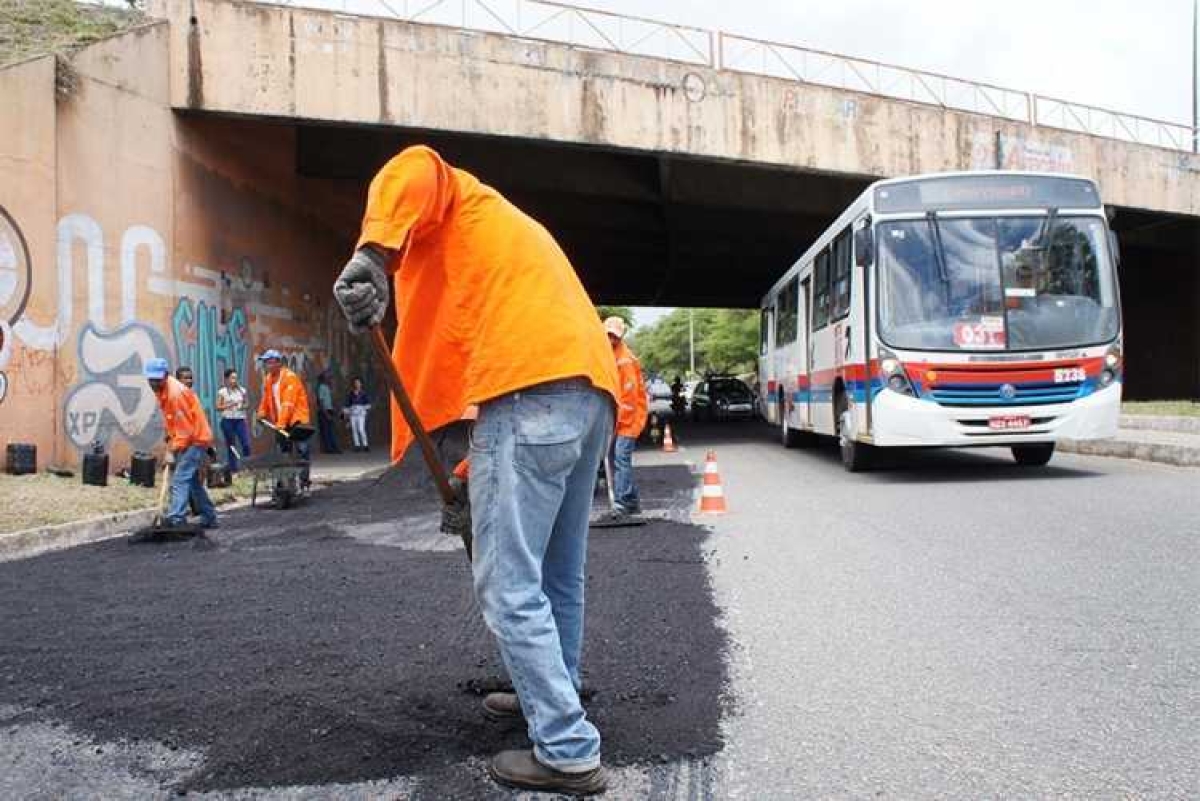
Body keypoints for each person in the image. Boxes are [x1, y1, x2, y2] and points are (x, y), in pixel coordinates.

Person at [332, 145, 618, 796]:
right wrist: (469, 474)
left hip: (531, 391)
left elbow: (414, 162)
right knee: (556, 574)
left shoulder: (449, 191)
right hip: (587, 393)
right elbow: (504, 428)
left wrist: (373, 252)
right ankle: (552, 692)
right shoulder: (500, 236)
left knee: (509, 583)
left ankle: (568, 748)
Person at [144, 357, 217, 529]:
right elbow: (173, 421)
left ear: (166, 375)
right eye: (151, 379)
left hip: (195, 439)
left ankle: (176, 519)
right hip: (188, 438)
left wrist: (171, 452)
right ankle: (209, 516)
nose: (153, 383)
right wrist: (170, 440)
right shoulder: (162, 389)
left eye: (157, 379)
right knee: (191, 481)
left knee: (179, 480)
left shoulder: (176, 394)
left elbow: (186, 430)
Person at [604, 316, 648, 517]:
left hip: (629, 419)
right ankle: (632, 501)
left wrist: (617, 423)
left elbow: (629, 399)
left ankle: (621, 503)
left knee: (621, 459)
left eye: (613, 335)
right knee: (615, 459)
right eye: (607, 335)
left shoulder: (625, 360)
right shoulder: (609, 355)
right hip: (618, 418)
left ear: (620, 336)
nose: (610, 339)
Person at [256, 350, 312, 486]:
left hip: (297, 420)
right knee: (283, 452)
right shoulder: (269, 379)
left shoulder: (289, 377)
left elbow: (288, 403)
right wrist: (261, 412)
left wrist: (280, 424)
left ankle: (304, 480)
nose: (266, 366)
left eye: (269, 362)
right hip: (281, 421)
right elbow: (266, 398)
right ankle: (286, 481)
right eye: (265, 363)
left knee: (302, 451)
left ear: (278, 363)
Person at [216, 368, 252, 471]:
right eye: (232, 378)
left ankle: (248, 466)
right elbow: (218, 407)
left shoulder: (242, 390)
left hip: (240, 419)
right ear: (226, 379)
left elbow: (247, 403)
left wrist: (243, 406)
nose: (234, 380)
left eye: (236, 378)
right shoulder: (222, 392)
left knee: (246, 443)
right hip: (227, 420)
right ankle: (233, 468)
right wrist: (228, 405)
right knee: (231, 445)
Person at [316, 371, 342, 454]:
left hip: (329, 410)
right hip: (324, 411)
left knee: (331, 430)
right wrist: (326, 414)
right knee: (327, 431)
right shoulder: (321, 387)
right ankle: (330, 448)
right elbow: (321, 401)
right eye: (327, 376)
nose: (329, 378)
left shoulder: (327, 387)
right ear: (323, 378)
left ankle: (333, 447)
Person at [345, 377, 371, 452]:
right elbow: (347, 404)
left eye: (358, 383)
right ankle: (357, 445)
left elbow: (368, 404)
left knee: (361, 429)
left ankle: (365, 445)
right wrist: (347, 413)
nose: (357, 384)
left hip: (361, 414)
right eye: (355, 383)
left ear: (361, 384)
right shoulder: (351, 393)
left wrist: (362, 408)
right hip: (353, 414)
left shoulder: (364, 393)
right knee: (354, 429)